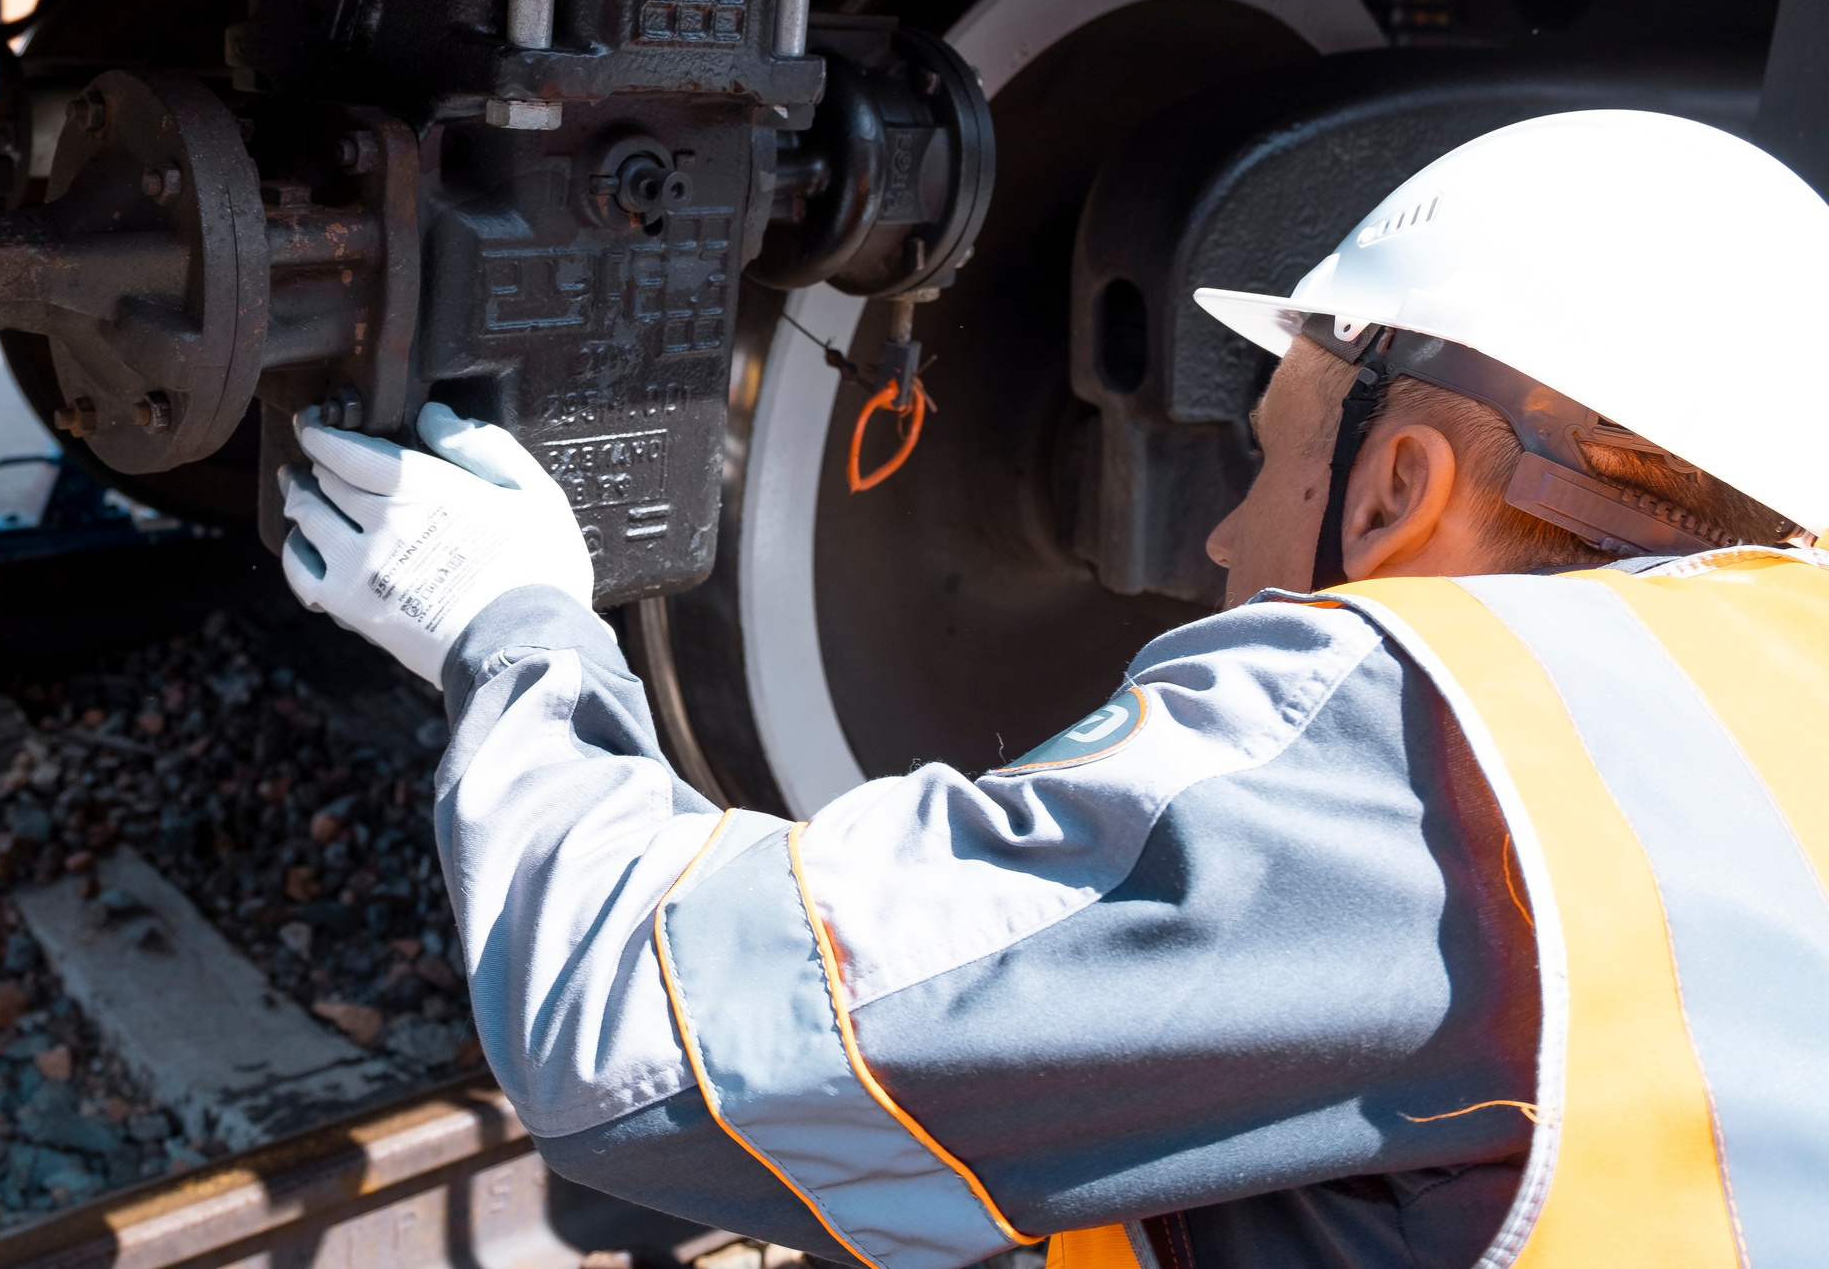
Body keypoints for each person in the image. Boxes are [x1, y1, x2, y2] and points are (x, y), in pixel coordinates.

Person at [275, 110, 1829, 1269]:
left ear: (1394, 490)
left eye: (1266, 462)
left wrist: (511, 626)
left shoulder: (1438, 750)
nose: (1221, 538)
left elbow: (639, 1038)